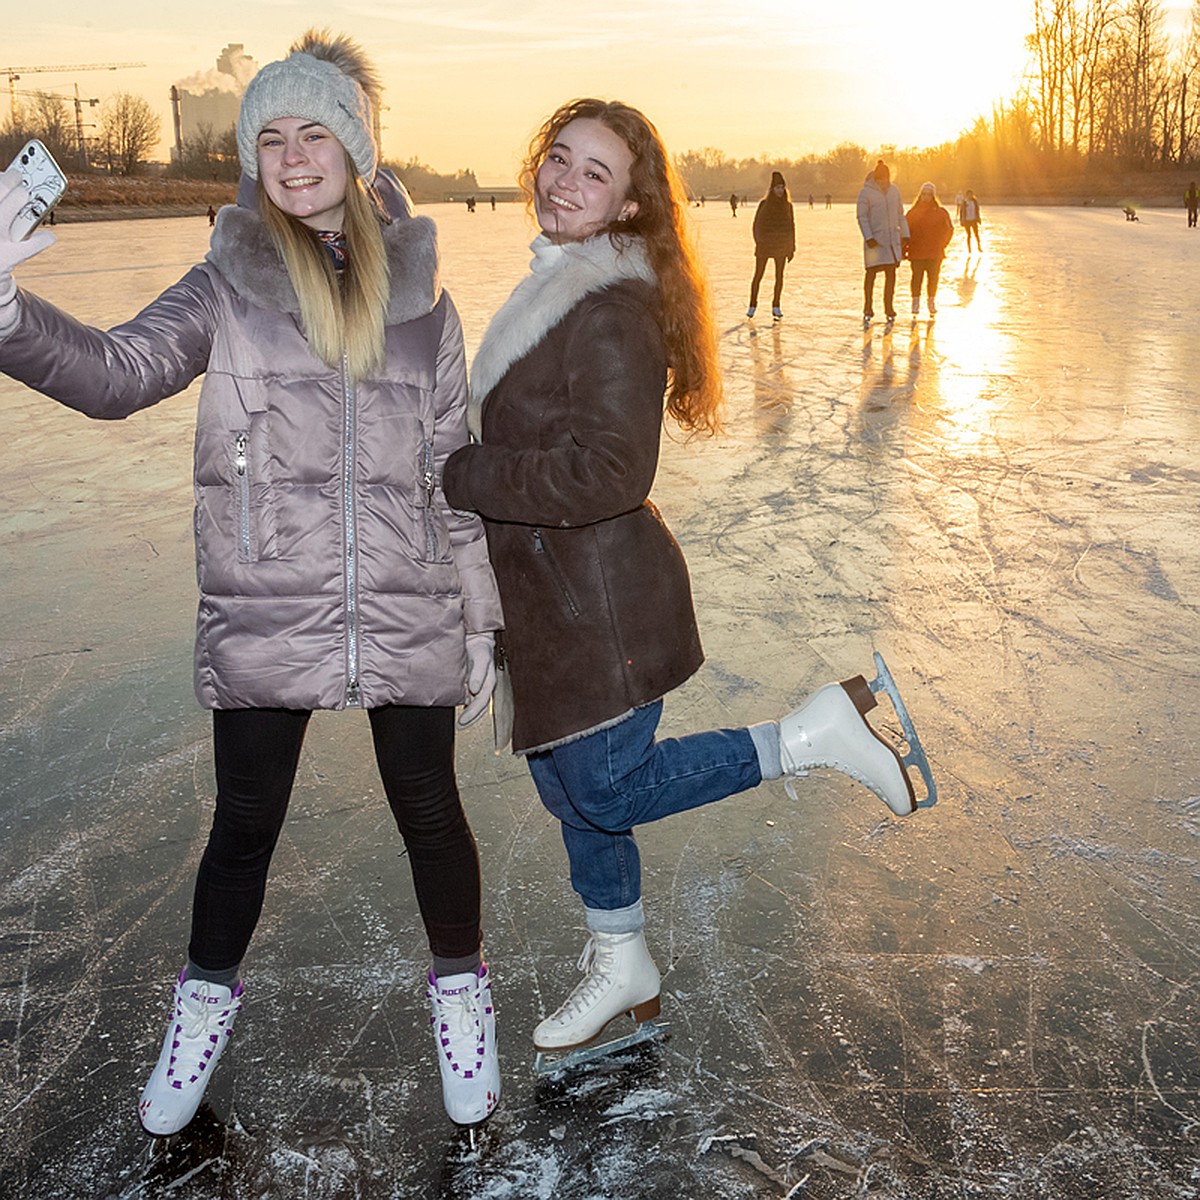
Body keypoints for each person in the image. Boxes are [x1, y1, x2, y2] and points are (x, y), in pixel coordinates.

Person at [0, 31, 503, 1134]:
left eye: (311, 131)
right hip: (268, 595)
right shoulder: (224, 285)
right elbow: (116, 373)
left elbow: (450, 468)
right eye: (268, 137)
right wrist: (5, 315)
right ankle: (198, 1019)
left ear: (358, 148)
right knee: (245, 825)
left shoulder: (424, 298)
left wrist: (480, 617)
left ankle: (462, 997)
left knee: (431, 809)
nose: (289, 155)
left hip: (410, 595)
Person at [441, 98, 932, 1064]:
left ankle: (807, 736)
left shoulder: (611, 312)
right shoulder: (560, 286)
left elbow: (610, 472)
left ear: (629, 207)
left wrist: (462, 474)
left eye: (596, 174)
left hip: (600, 607)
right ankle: (621, 958)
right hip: (552, 603)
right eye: (560, 159)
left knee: (607, 788)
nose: (565, 182)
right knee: (566, 790)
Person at [857, 159, 909, 325]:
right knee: (871, 274)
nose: (883, 182)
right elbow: (862, 217)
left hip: (891, 241)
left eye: (886, 179)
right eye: (880, 180)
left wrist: (905, 234)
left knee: (891, 275)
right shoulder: (866, 193)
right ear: (875, 179)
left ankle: (888, 307)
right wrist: (869, 237)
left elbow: (900, 213)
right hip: (874, 241)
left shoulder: (894, 191)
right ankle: (868, 306)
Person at [746, 170, 795, 320]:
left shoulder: (788, 206)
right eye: (777, 188)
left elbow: (791, 227)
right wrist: (760, 242)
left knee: (779, 278)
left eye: (782, 187)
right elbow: (757, 225)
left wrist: (791, 247)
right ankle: (752, 305)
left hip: (781, 247)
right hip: (765, 246)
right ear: (772, 189)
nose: (780, 190)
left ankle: (776, 305)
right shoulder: (764, 205)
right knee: (758, 276)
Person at [904, 181, 953, 317]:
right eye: (924, 194)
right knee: (916, 278)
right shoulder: (912, 213)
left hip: (934, 253)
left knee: (933, 278)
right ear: (920, 195)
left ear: (933, 196)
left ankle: (931, 301)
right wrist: (904, 249)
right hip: (917, 252)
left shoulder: (940, 212)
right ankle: (915, 301)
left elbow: (949, 230)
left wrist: (942, 244)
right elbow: (905, 232)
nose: (926, 197)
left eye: (929, 194)